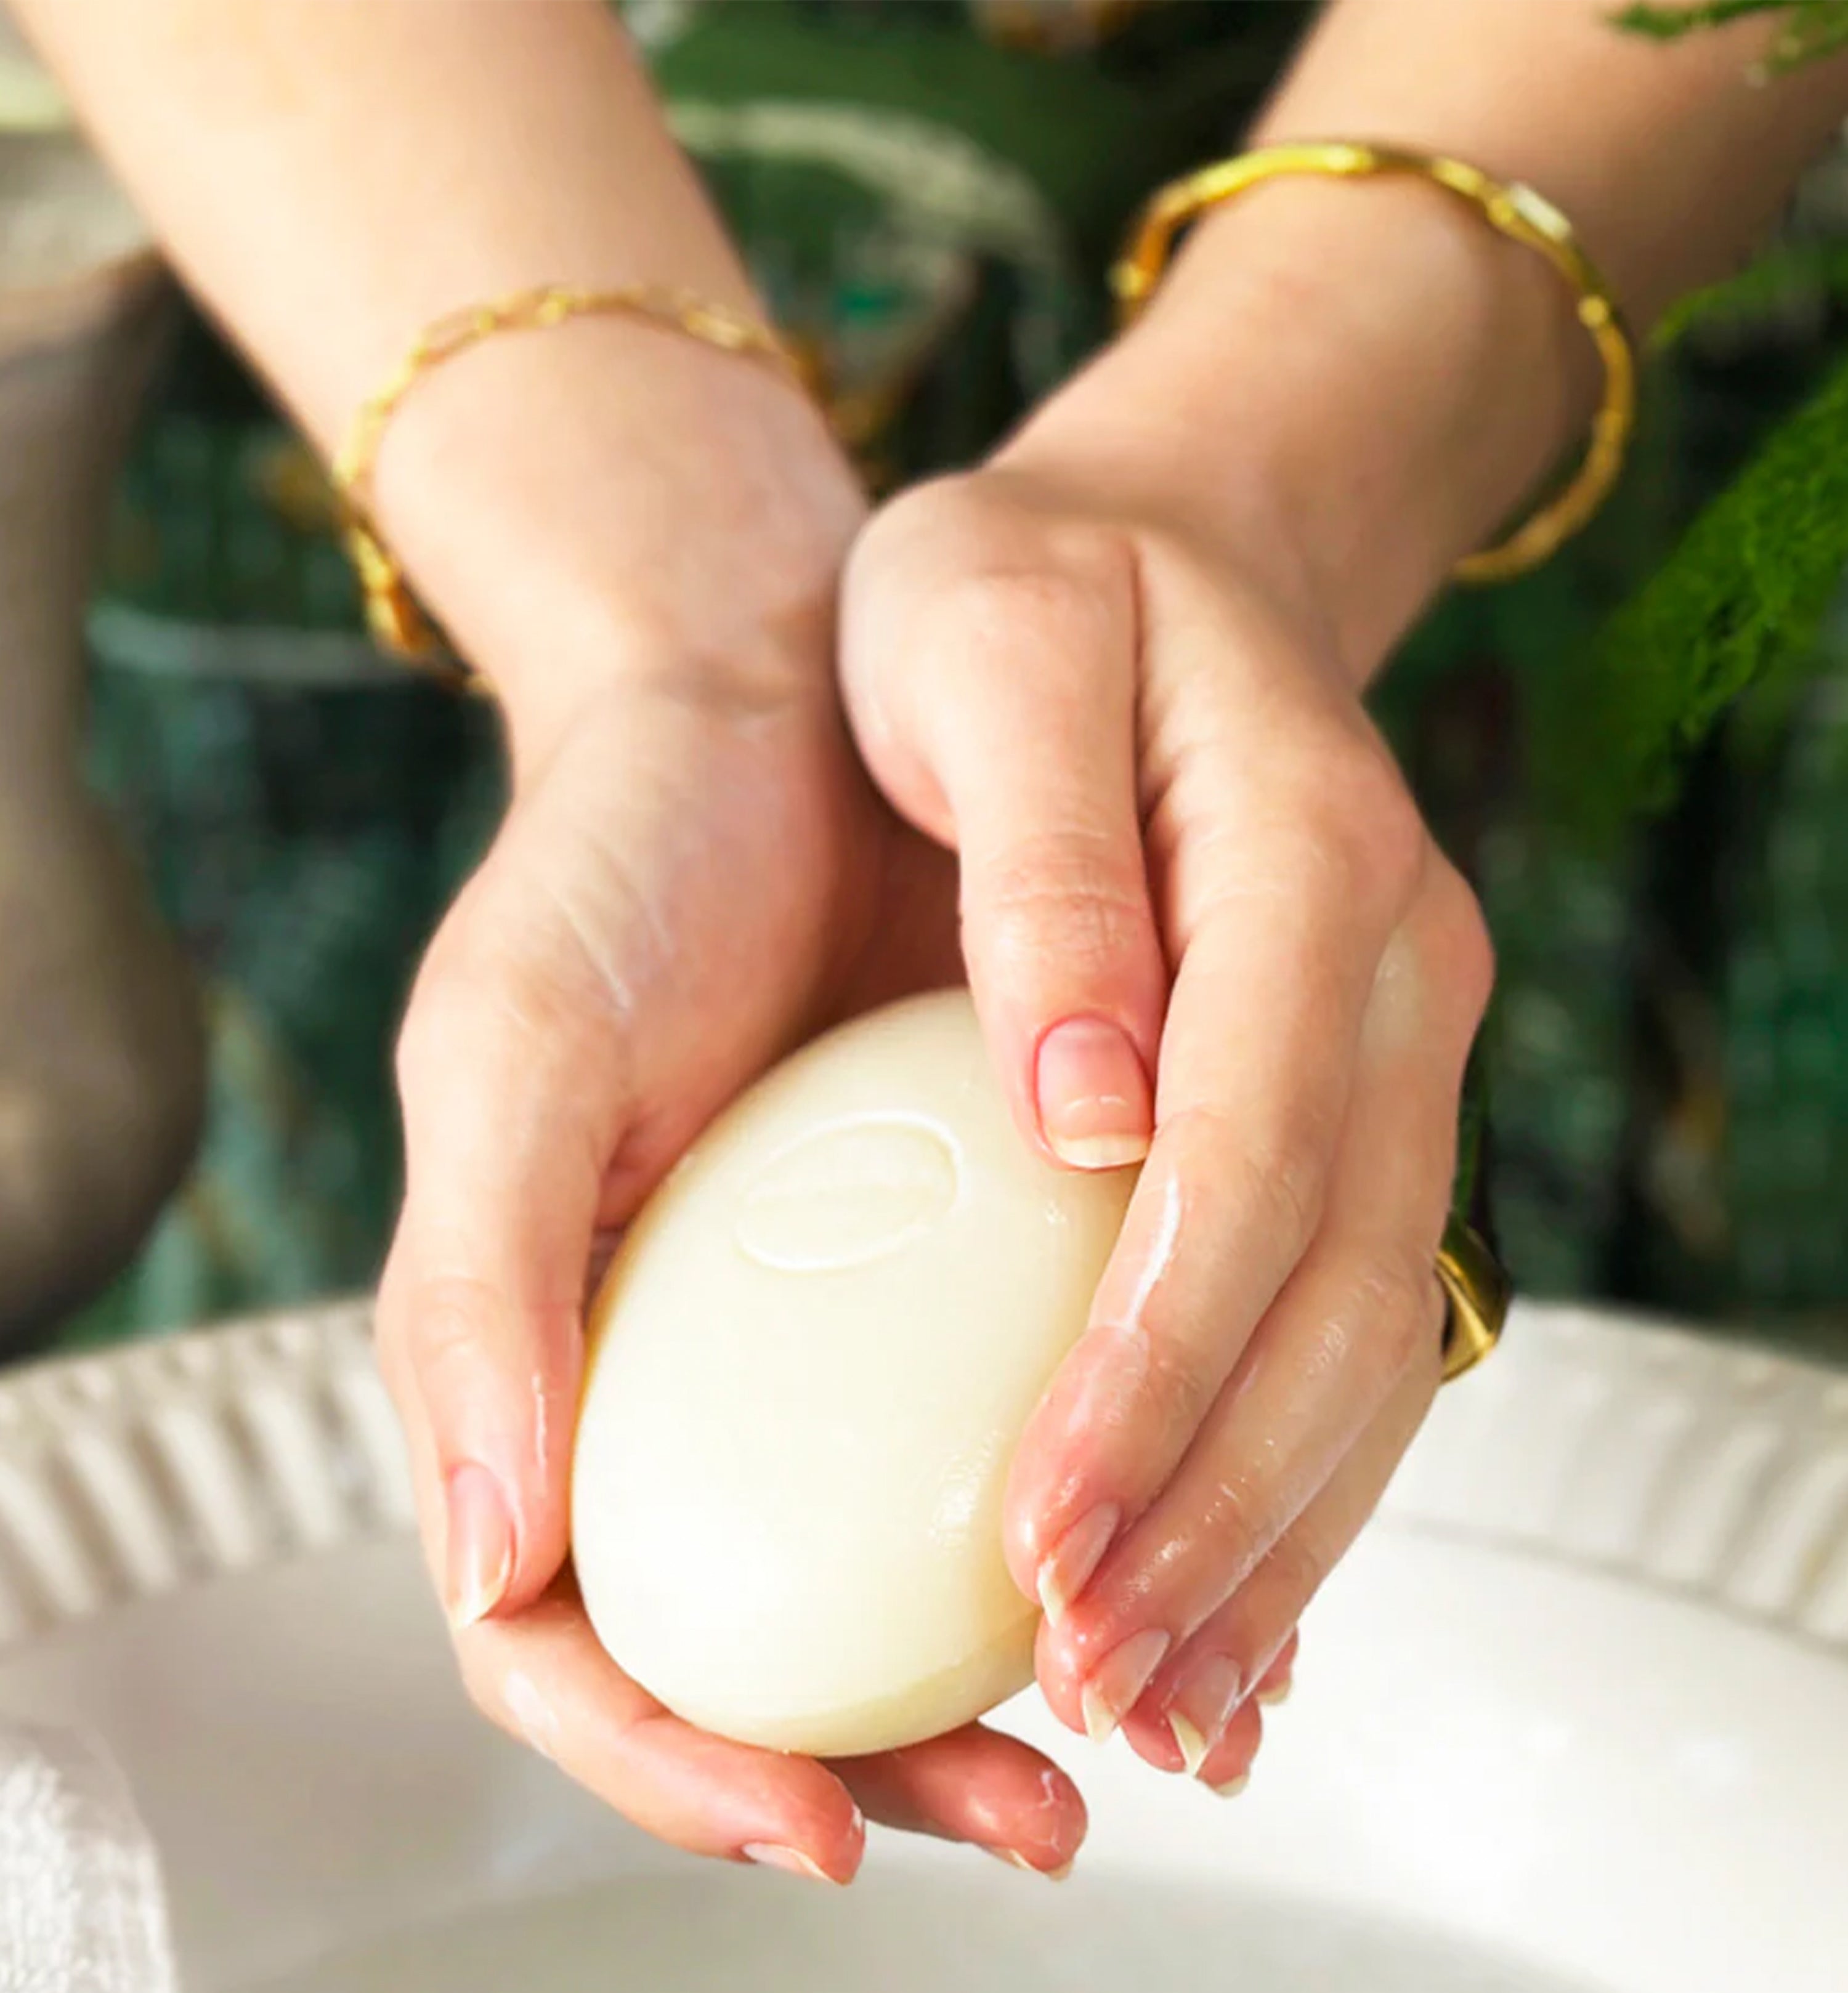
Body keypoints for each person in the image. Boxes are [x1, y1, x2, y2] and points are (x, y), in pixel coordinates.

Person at [17, 0, 1848, 1884]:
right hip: (352, 257)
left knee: (1696, 1733)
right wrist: (663, 598)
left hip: (1652, 287)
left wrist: (1257, 461)